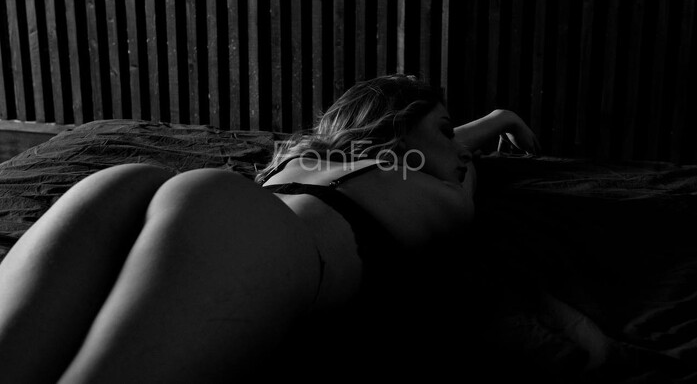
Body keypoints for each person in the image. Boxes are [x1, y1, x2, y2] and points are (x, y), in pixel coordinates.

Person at [0, 74, 540, 383]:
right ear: (399, 132)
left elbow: (440, 145)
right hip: (246, 224)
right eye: (445, 129)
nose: (460, 147)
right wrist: (499, 121)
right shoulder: (438, 193)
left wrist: (493, 119)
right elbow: (457, 162)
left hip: (134, 184)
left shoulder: (307, 155)